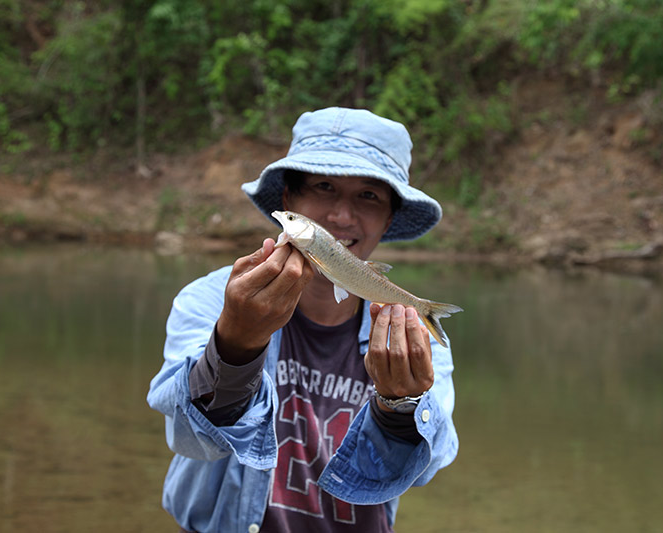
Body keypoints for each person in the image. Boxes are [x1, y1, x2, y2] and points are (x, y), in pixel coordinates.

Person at [147, 107, 459, 532]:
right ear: (288, 201)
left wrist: (400, 406)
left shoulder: (410, 332)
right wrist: (235, 346)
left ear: (389, 218)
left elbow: (428, 464)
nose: (342, 216)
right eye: (324, 186)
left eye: (368, 196)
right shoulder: (212, 300)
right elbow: (189, 439)